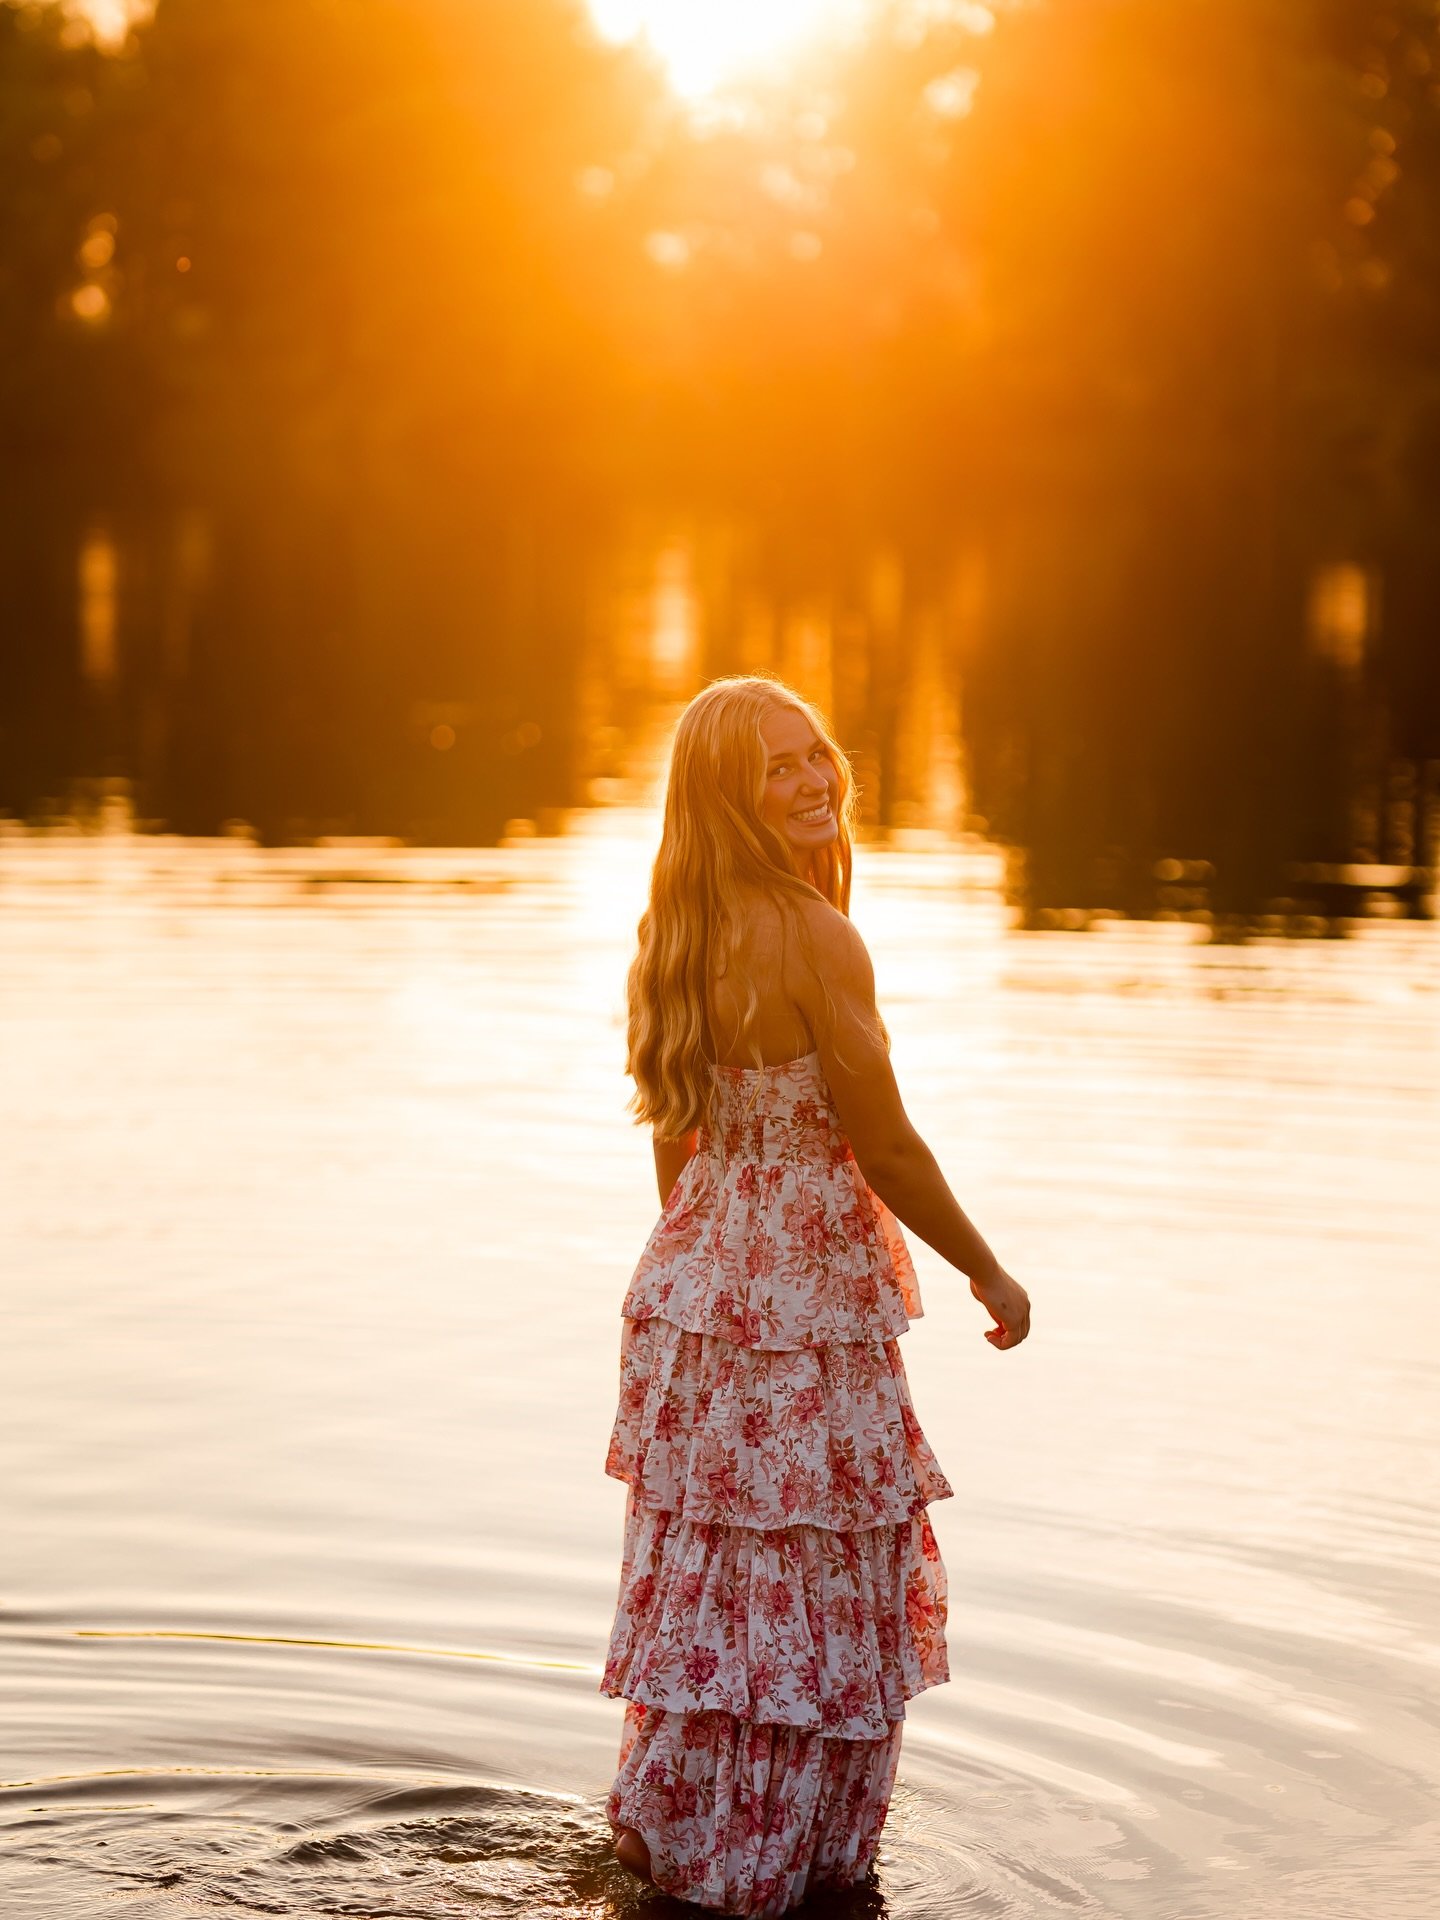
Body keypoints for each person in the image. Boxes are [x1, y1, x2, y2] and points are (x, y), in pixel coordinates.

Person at [601, 673, 1031, 1916]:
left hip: (700, 1299)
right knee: (811, 1582)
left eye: (814, 756)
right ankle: (778, 1869)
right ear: (728, 799)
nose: (812, 782)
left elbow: (675, 1143)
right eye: (776, 769)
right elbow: (884, 1147)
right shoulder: (815, 937)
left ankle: (679, 1841)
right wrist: (986, 1267)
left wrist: (707, 1278)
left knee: (716, 1583)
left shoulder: (668, 933)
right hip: (801, 1308)